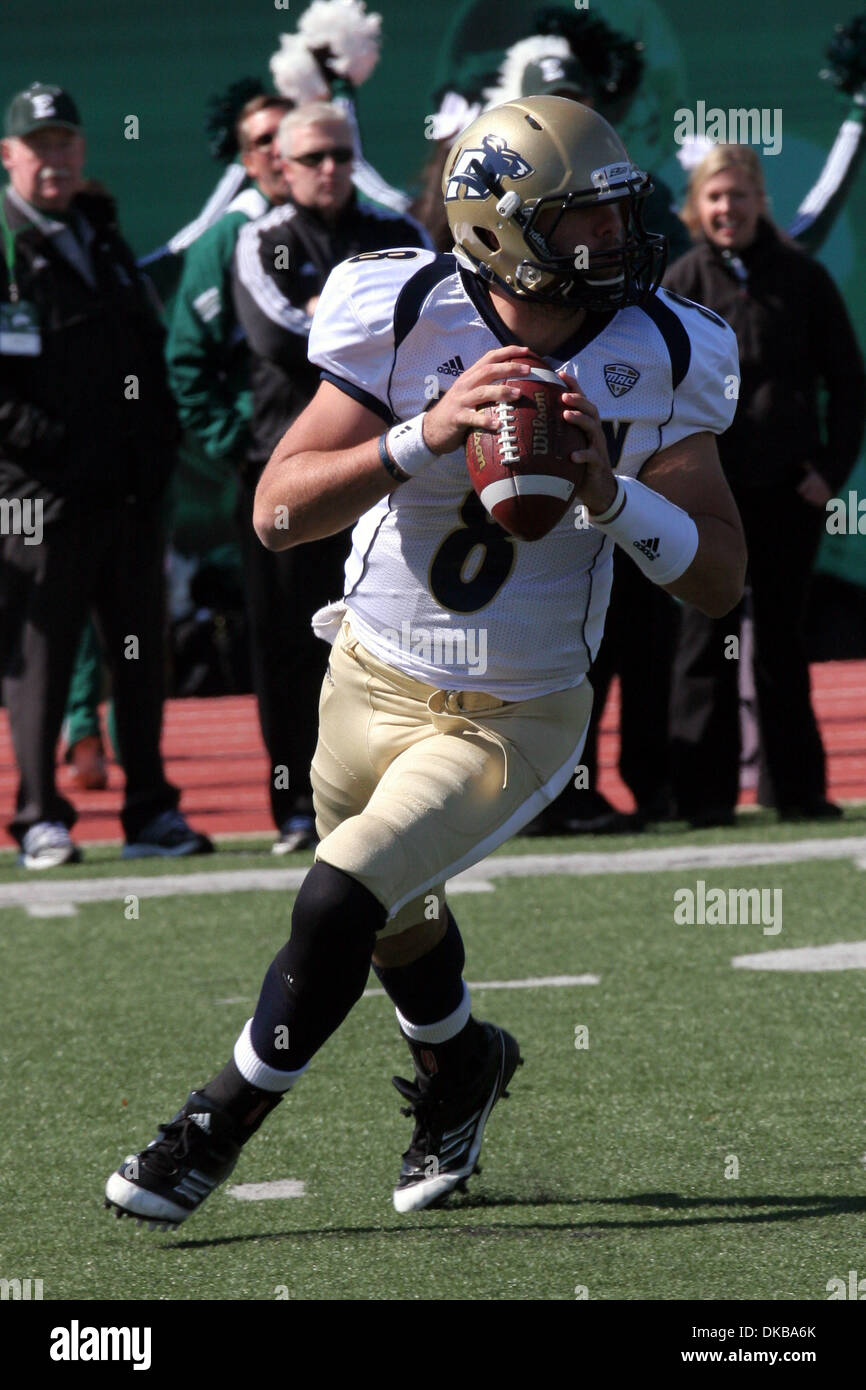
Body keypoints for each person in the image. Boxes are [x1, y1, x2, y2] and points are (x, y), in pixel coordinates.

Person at [105, 95, 745, 1226]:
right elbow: (274, 513)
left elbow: (716, 580)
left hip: (510, 713)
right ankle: (460, 1065)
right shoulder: (395, 305)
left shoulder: (665, 344)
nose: (611, 241)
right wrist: (421, 433)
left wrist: (610, 493)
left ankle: (214, 1124)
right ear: (502, 228)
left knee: (335, 898)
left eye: (615, 214)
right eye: (580, 222)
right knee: (396, 915)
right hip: (361, 673)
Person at [0, 83, 212, 867]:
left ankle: (151, 811)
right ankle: (39, 816)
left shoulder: (102, 234)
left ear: (81, 150)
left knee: (137, 652)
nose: (53, 158)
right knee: (42, 654)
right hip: (31, 498)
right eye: (38, 143)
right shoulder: (3, 241)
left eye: (65, 142)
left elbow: (144, 354)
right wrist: (57, 448)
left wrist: (150, 450)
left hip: (126, 491)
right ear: (8, 155)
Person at [232, 102, 429, 853]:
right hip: (287, 475)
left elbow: (427, 328)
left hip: (392, 473)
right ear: (280, 165)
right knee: (285, 645)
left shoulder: (399, 232)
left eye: (341, 154)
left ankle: (394, 794)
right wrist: (364, 329)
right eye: (312, 156)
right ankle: (291, 802)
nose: (329, 169)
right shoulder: (262, 238)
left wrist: (333, 314)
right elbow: (274, 335)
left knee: (393, 633)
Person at [664, 144, 866, 824]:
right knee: (703, 642)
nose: (728, 209)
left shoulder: (804, 280)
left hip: (786, 497)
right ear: (697, 207)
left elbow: (849, 385)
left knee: (780, 642)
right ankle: (700, 797)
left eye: (740, 195)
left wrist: (829, 470)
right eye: (715, 197)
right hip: (705, 498)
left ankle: (796, 791)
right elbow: (652, 392)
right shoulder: (679, 284)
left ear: (760, 202)